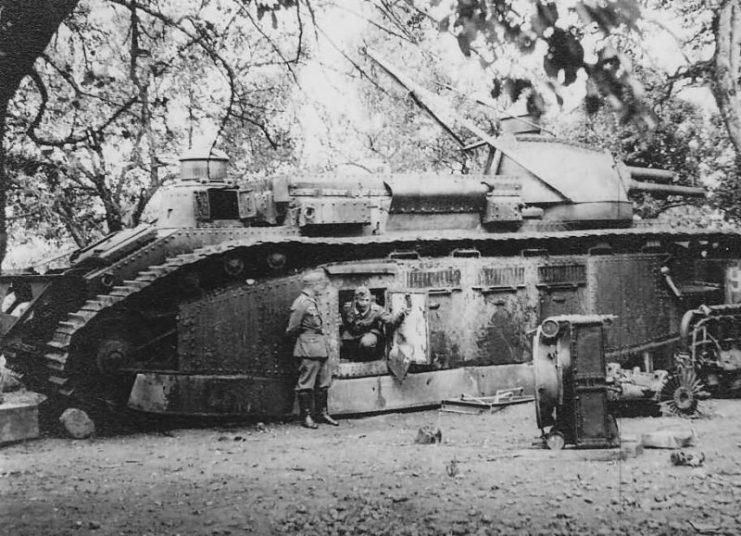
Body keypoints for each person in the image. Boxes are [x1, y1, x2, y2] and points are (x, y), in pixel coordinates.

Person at [285, 271, 339, 429]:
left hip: (320, 348)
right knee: (306, 384)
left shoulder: (312, 301)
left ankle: (322, 413)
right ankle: (306, 417)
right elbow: (292, 328)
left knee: (323, 383)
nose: (323, 286)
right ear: (314, 285)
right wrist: (305, 341)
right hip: (308, 348)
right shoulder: (301, 303)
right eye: (321, 283)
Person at [341, 286, 407, 360]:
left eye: (367, 300)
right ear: (356, 300)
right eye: (361, 300)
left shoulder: (376, 310)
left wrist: (400, 316)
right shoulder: (347, 308)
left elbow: (390, 321)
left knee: (367, 343)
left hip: (369, 333)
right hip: (352, 334)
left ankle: (369, 359)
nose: (364, 303)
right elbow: (345, 320)